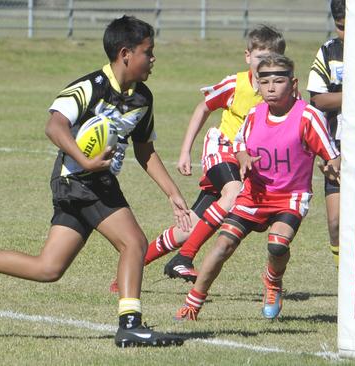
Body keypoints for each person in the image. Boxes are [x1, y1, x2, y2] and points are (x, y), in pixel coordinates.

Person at [0, 15, 191, 348]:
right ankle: (129, 325)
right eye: (149, 52)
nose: (153, 59)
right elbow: (54, 126)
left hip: (96, 182)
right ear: (125, 53)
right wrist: (86, 159)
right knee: (134, 243)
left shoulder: (143, 99)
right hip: (77, 181)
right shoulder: (90, 87)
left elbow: (145, 150)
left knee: (48, 268)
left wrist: (172, 193)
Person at [174, 53, 340, 321]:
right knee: (222, 246)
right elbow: (239, 144)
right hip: (254, 195)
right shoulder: (254, 115)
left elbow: (332, 156)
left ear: (294, 84)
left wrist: (332, 167)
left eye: (278, 81)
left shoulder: (309, 116)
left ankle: (273, 282)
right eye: (264, 82)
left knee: (277, 244)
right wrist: (243, 158)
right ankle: (192, 304)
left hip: (290, 197)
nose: (270, 88)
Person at [132, 25, 286, 286]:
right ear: (248, 56)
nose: (266, 66)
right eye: (261, 59)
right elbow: (203, 108)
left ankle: (130, 269)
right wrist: (184, 151)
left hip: (245, 161)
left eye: (273, 61)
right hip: (221, 148)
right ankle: (185, 258)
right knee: (234, 193)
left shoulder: (282, 92)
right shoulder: (235, 84)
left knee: (188, 228)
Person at [306, 0, 344, 267]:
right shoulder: (329, 51)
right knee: (336, 222)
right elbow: (318, 100)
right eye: (341, 27)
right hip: (337, 146)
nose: (347, 34)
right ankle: (346, 278)